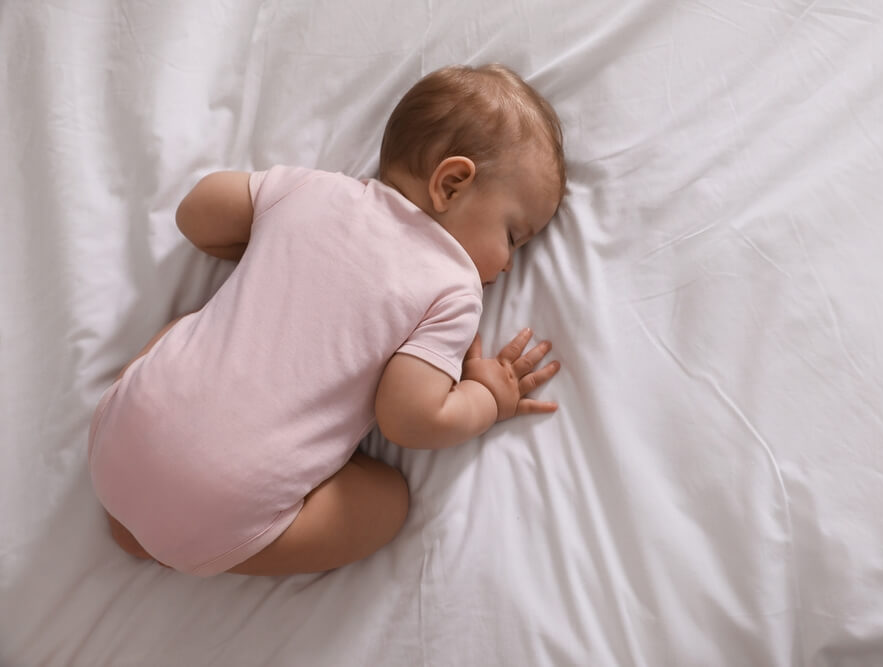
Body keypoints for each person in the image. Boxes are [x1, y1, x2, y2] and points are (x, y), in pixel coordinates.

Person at [87, 64, 567, 576]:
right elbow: (409, 419)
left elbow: (195, 213)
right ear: (451, 183)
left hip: (118, 444)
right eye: (513, 236)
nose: (510, 263)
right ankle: (176, 540)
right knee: (389, 503)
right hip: (222, 506)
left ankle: (135, 518)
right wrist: (487, 398)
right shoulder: (452, 286)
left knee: (189, 325)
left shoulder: (314, 191)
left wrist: (266, 240)